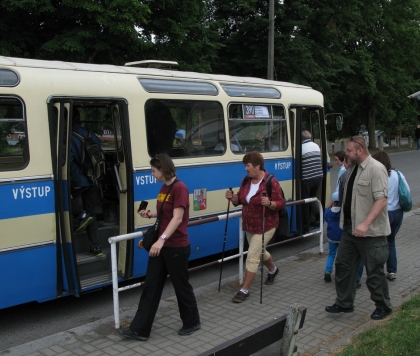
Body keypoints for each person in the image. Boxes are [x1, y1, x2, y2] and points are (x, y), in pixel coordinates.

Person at [119, 154, 200, 341]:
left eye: (153, 170)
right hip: (162, 247)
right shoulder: (164, 187)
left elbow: (178, 217)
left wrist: (161, 239)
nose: (152, 174)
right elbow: (166, 211)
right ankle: (139, 329)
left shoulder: (179, 188)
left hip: (176, 247)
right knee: (151, 287)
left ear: (163, 169)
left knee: (181, 287)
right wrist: (150, 214)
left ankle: (192, 322)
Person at [325, 136, 392, 321]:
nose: (346, 154)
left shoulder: (376, 169)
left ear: (359, 150)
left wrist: (366, 223)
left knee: (374, 273)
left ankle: (383, 306)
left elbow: (382, 199)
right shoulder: (352, 169)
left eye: (348, 150)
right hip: (350, 231)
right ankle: (344, 303)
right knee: (343, 266)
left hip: (371, 234)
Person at [225, 151, 285, 303]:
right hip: (250, 225)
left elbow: (281, 203)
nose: (246, 169)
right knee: (260, 251)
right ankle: (273, 269)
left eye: (248, 165)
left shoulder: (271, 181)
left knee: (252, 255)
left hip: (267, 225)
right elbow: (240, 199)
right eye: (245, 166)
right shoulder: (246, 180)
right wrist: (233, 198)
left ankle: (244, 290)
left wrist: (270, 203)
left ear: (258, 166)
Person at [371, 150, 410, 281]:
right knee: (391, 242)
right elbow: (406, 191)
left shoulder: (377, 175)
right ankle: (392, 271)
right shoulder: (397, 174)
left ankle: (378, 270)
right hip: (397, 212)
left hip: (383, 212)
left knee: (379, 242)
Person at [70, 109, 102, 257]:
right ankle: (96, 248)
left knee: (67, 203)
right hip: (93, 178)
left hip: (78, 180)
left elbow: (67, 162)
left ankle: (81, 215)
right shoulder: (90, 134)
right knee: (92, 212)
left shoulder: (67, 136)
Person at [301, 130, 323, 232]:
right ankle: (319, 215)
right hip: (318, 177)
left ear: (302, 138)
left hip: (307, 178)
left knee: (305, 201)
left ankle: (305, 226)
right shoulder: (316, 146)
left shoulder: (301, 148)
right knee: (312, 198)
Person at [323, 192, 343, 282]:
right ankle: (340, 273)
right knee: (341, 256)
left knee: (331, 255)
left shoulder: (328, 212)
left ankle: (327, 271)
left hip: (331, 237)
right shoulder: (343, 213)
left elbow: (326, 219)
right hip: (342, 238)